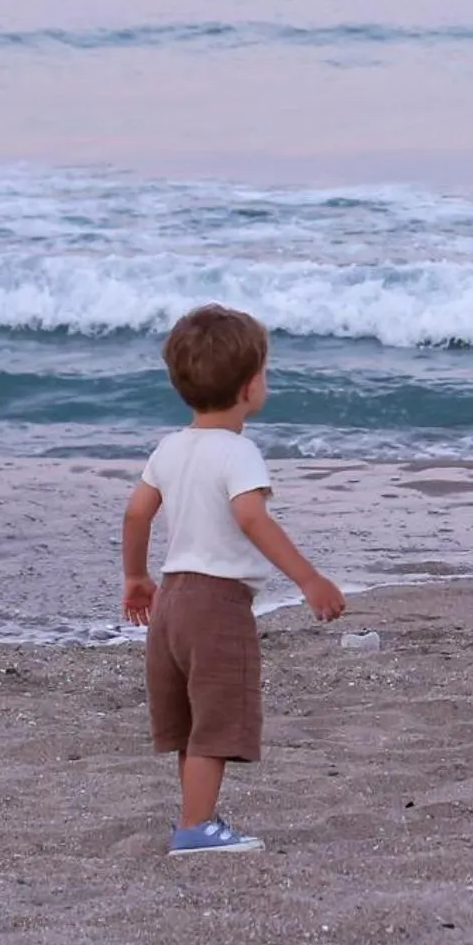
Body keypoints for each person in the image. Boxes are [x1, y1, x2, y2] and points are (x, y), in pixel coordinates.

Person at [121, 305, 345, 856]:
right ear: (249, 387)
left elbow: (136, 513)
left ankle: (199, 816)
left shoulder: (169, 448)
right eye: (265, 373)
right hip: (216, 605)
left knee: (191, 722)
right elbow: (251, 518)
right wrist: (308, 579)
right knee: (218, 722)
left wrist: (134, 576)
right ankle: (195, 829)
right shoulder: (239, 453)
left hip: (170, 601)